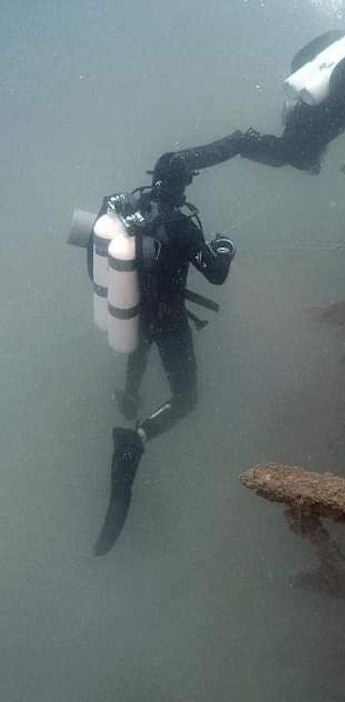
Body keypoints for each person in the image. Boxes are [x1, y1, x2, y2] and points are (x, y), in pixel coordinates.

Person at [94, 154, 236, 555]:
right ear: (184, 185)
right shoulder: (182, 225)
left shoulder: (131, 210)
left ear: (154, 179)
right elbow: (216, 272)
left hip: (135, 314)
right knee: (187, 399)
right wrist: (225, 247)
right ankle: (136, 438)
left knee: (135, 353)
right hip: (169, 319)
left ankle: (128, 397)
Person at [240, 29, 345, 173]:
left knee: (289, 155)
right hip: (325, 113)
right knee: (292, 157)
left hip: (311, 107)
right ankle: (239, 142)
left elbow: (301, 61)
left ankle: (241, 143)